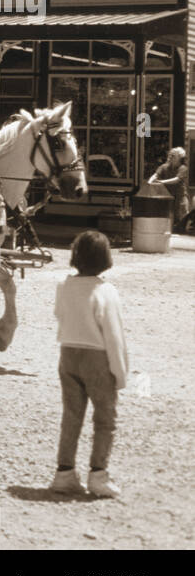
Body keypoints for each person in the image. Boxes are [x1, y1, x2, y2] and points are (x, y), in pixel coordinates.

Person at [50, 229, 128, 498]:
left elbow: (59, 314)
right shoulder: (106, 291)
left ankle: (64, 472)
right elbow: (114, 335)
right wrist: (120, 373)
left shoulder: (64, 285)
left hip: (68, 353)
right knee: (105, 419)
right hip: (97, 356)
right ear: (105, 258)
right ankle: (98, 474)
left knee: (72, 415)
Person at [147, 146, 189, 233]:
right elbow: (155, 175)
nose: (171, 156)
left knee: (181, 218)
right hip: (167, 198)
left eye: (174, 155)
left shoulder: (183, 168)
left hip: (179, 198)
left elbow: (176, 180)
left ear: (180, 157)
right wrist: (149, 182)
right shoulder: (164, 167)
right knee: (166, 218)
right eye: (170, 154)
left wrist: (161, 182)